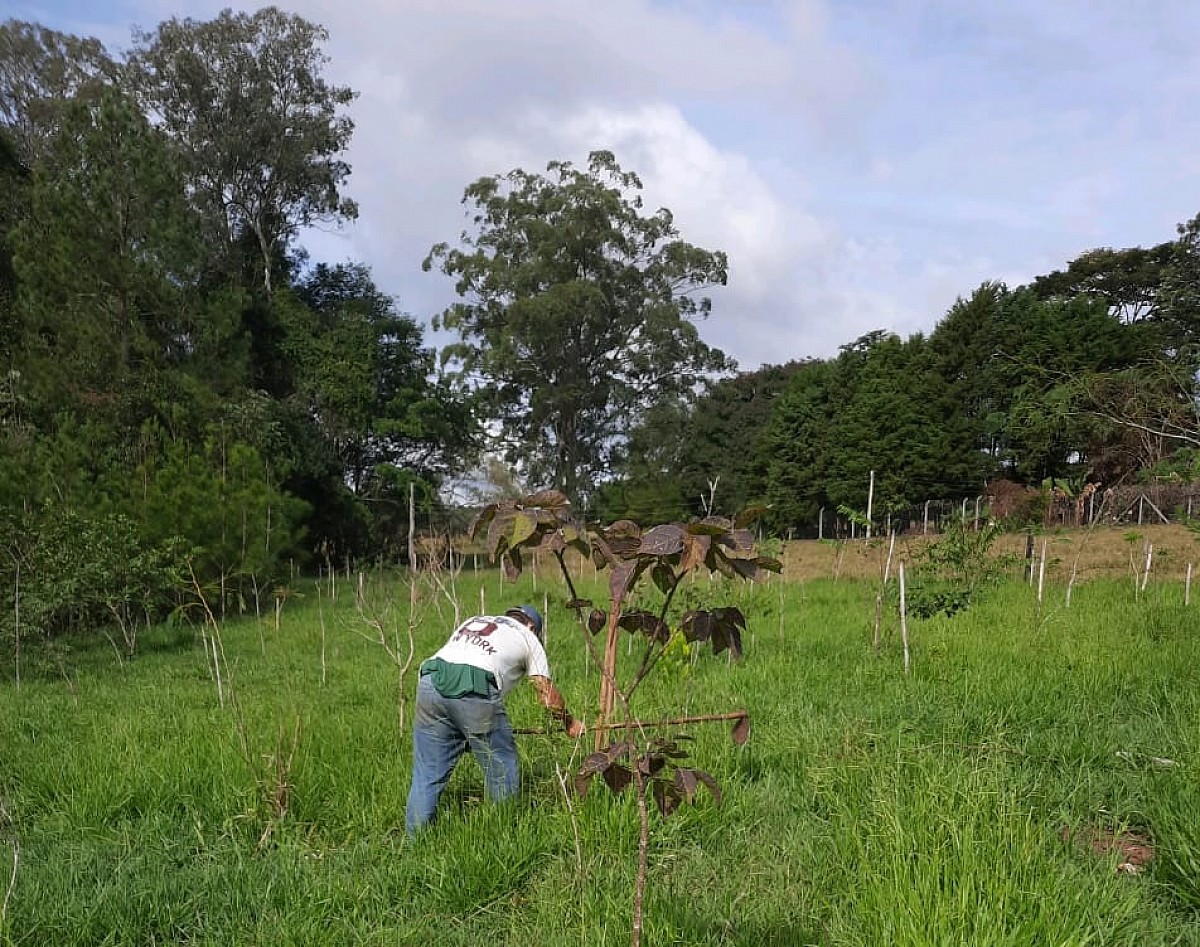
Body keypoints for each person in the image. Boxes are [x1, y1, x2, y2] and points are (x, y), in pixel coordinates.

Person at [405, 604, 584, 833]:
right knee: (501, 766)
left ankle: (414, 840)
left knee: (428, 771)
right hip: (473, 684)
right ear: (532, 626)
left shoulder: (475, 620)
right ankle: (501, 834)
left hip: (430, 680)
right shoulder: (528, 638)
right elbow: (547, 696)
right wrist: (569, 722)